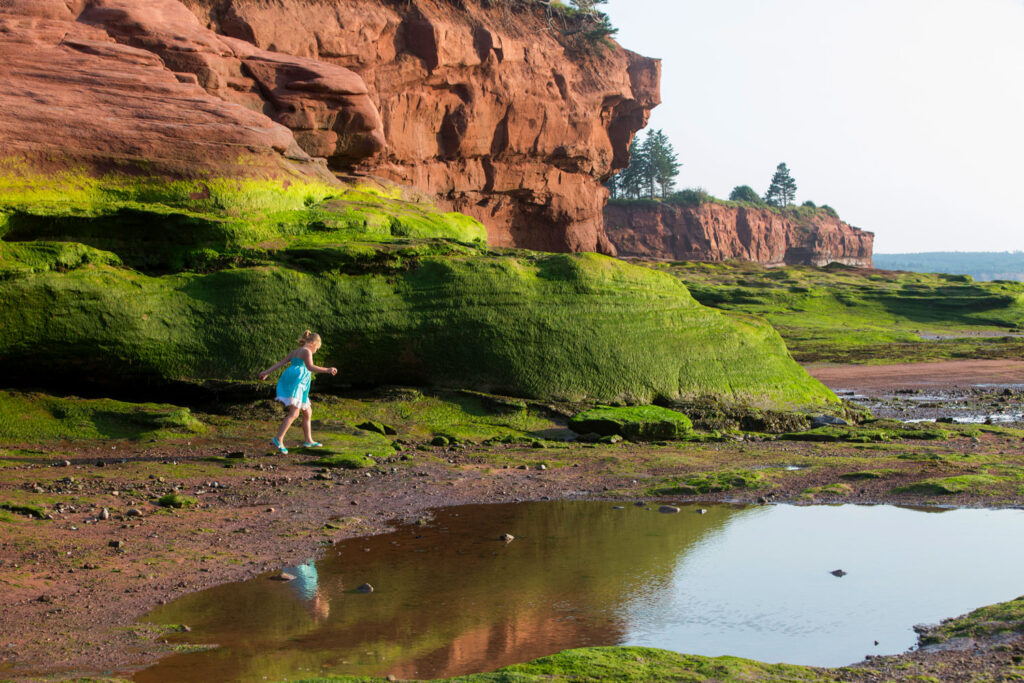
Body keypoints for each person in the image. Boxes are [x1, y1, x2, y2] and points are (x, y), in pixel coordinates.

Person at [258, 330, 337, 454]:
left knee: (307, 411)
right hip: (298, 384)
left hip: (297, 382)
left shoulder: (295, 352)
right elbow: (310, 367)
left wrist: (266, 372)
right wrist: (327, 370)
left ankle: (308, 440)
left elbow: (281, 363)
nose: (316, 351)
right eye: (317, 348)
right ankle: (278, 438)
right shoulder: (307, 351)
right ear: (314, 344)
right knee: (294, 413)